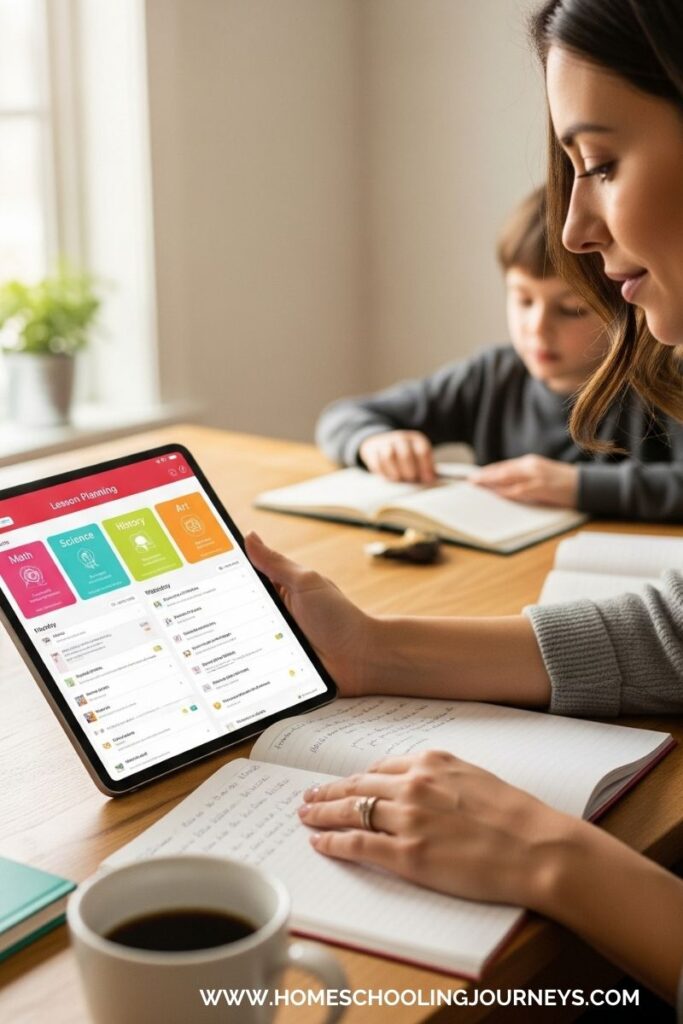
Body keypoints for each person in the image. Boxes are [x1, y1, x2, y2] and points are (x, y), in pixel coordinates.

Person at [246, 0, 683, 1008]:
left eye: (599, 162)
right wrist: (375, 649)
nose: (573, 229)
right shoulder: (489, 373)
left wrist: (554, 859)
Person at [316, 186, 683, 520]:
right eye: (523, 300)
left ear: (627, 304)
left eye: (571, 309)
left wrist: (576, 486)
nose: (537, 328)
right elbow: (342, 416)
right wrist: (373, 442)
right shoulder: (491, 376)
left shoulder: (662, 384)